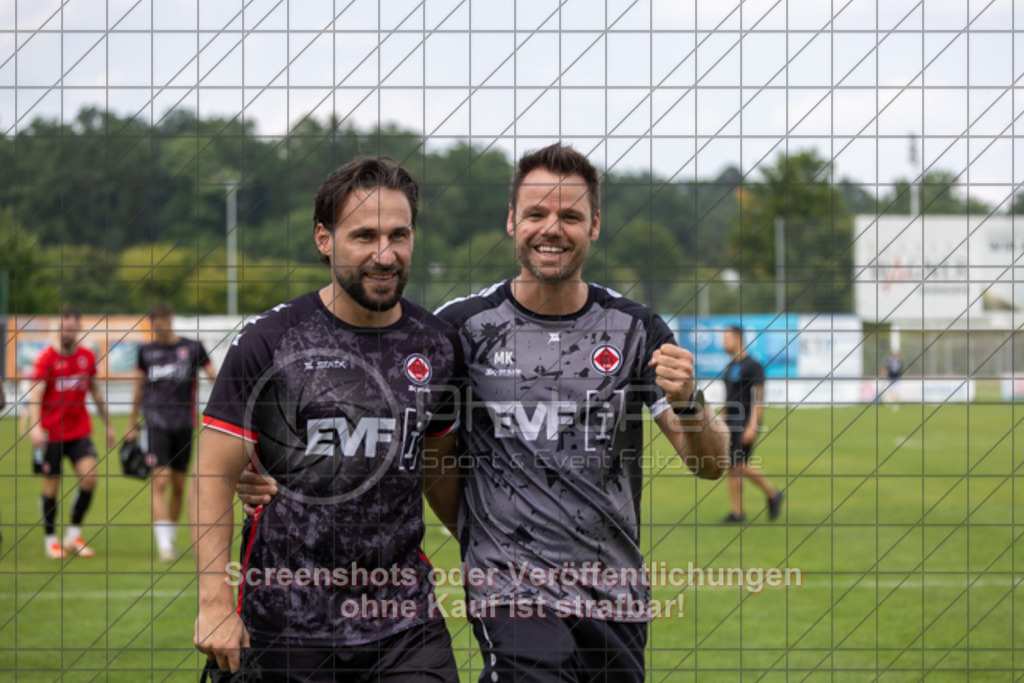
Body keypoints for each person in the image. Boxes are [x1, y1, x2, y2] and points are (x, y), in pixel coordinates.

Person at [242, 144, 730, 681]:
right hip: (512, 592)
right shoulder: (463, 329)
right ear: (511, 221)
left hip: (614, 594)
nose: (552, 229)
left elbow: (708, 463)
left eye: (570, 216)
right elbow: (406, 439)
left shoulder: (636, 329)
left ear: (594, 226)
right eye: (536, 214)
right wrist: (276, 470)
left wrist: (691, 402)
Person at [191, 156, 463, 681]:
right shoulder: (271, 341)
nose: (385, 255)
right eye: (364, 236)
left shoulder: (439, 345)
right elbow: (213, 471)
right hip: (283, 624)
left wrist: (489, 554)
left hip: (404, 623)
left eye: (399, 235)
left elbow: (437, 471)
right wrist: (214, 601)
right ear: (324, 238)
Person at [125, 302, 217, 563]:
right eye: (153, 321)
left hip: (184, 425)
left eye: (162, 319)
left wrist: (225, 404)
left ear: (170, 319)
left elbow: (213, 376)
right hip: (156, 424)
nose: (158, 325)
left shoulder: (192, 348)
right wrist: (132, 421)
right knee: (160, 480)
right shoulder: (146, 352)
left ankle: (170, 536)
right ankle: (164, 545)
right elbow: (138, 388)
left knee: (178, 486)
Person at [27, 307, 117, 559]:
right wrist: (35, 427)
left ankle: (73, 536)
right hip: (52, 434)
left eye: (71, 326)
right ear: (59, 327)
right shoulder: (46, 358)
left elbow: (96, 392)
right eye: (63, 326)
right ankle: (51, 540)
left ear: (78, 327)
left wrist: (109, 424)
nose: (66, 330)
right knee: (51, 487)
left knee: (89, 478)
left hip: (79, 432)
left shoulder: (87, 357)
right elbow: (36, 394)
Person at [721, 325, 782, 523]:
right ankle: (737, 512)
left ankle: (772, 493)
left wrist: (753, 426)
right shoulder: (730, 366)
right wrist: (720, 421)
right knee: (732, 466)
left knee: (738, 465)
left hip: (745, 422)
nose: (723, 342)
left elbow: (759, 398)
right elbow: (728, 398)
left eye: (727, 337)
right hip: (730, 424)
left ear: (738, 338)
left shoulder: (753, 366)